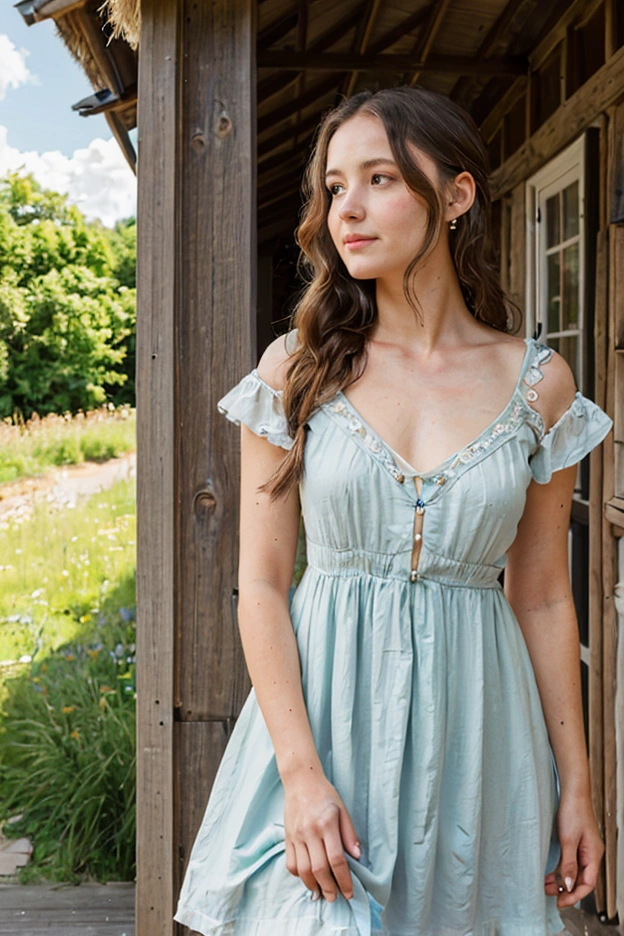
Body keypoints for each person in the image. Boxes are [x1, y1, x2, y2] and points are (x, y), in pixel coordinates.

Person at [173, 86, 612, 936]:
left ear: (455, 195)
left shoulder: (539, 386)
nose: (349, 209)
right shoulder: (296, 371)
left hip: (482, 739)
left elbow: (546, 596)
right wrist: (299, 774)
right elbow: (260, 588)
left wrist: (578, 788)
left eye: (379, 179)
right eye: (335, 187)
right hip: (324, 735)